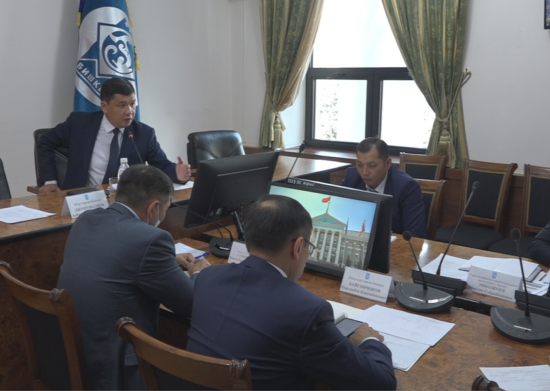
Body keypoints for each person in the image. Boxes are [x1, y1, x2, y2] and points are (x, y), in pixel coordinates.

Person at [186, 195, 396, 390]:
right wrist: (370, 342)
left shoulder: (207, 278)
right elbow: (382, 384)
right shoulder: (307, 311)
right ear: (297, 247)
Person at [57, 165, 210, 391]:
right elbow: (191, 305)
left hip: (73, 357)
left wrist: (168, 260)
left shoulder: (86, 220)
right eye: (165, 209)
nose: (163, 217)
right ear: (154, 208)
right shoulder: (152, 240)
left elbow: (118, 254)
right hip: (118, 371)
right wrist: (198, 273)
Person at [37, 77, 191, 192]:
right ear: (104, 106)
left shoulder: (144, 134)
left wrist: (177, 173)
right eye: (122, 105)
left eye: (132, 104)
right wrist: (50, 181)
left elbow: (161, 164)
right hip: (80, 200)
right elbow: (45, 141)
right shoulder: (80, 124)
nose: (129, 111)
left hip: (124, 204)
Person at [341, 137, 427, 238]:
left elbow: (414, 236)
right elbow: (340, 213)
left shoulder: (407, 187)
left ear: (388, 163)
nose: (364, 172)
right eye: (360, 165)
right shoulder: (352, 178)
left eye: (372, 166)